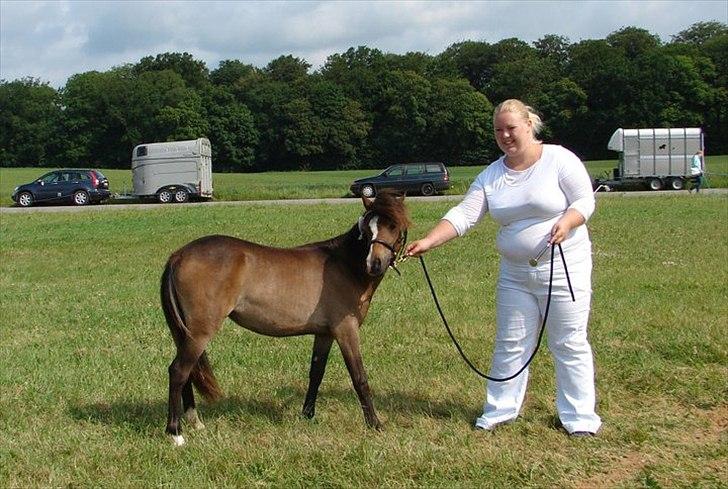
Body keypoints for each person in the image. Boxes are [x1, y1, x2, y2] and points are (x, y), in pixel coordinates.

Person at [406, 99, 601, 437]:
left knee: (568, 342)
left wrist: (568, 222)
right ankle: (498, 412)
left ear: (529, 125)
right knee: (510, 342)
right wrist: (428, 241)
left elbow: (585, 200)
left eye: (511, 128)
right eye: (499, 130)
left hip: (564, 266)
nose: (505, 135)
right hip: (515, 274)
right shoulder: (492, 175)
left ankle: (580, 419)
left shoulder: (558, 159)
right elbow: (464, 215)